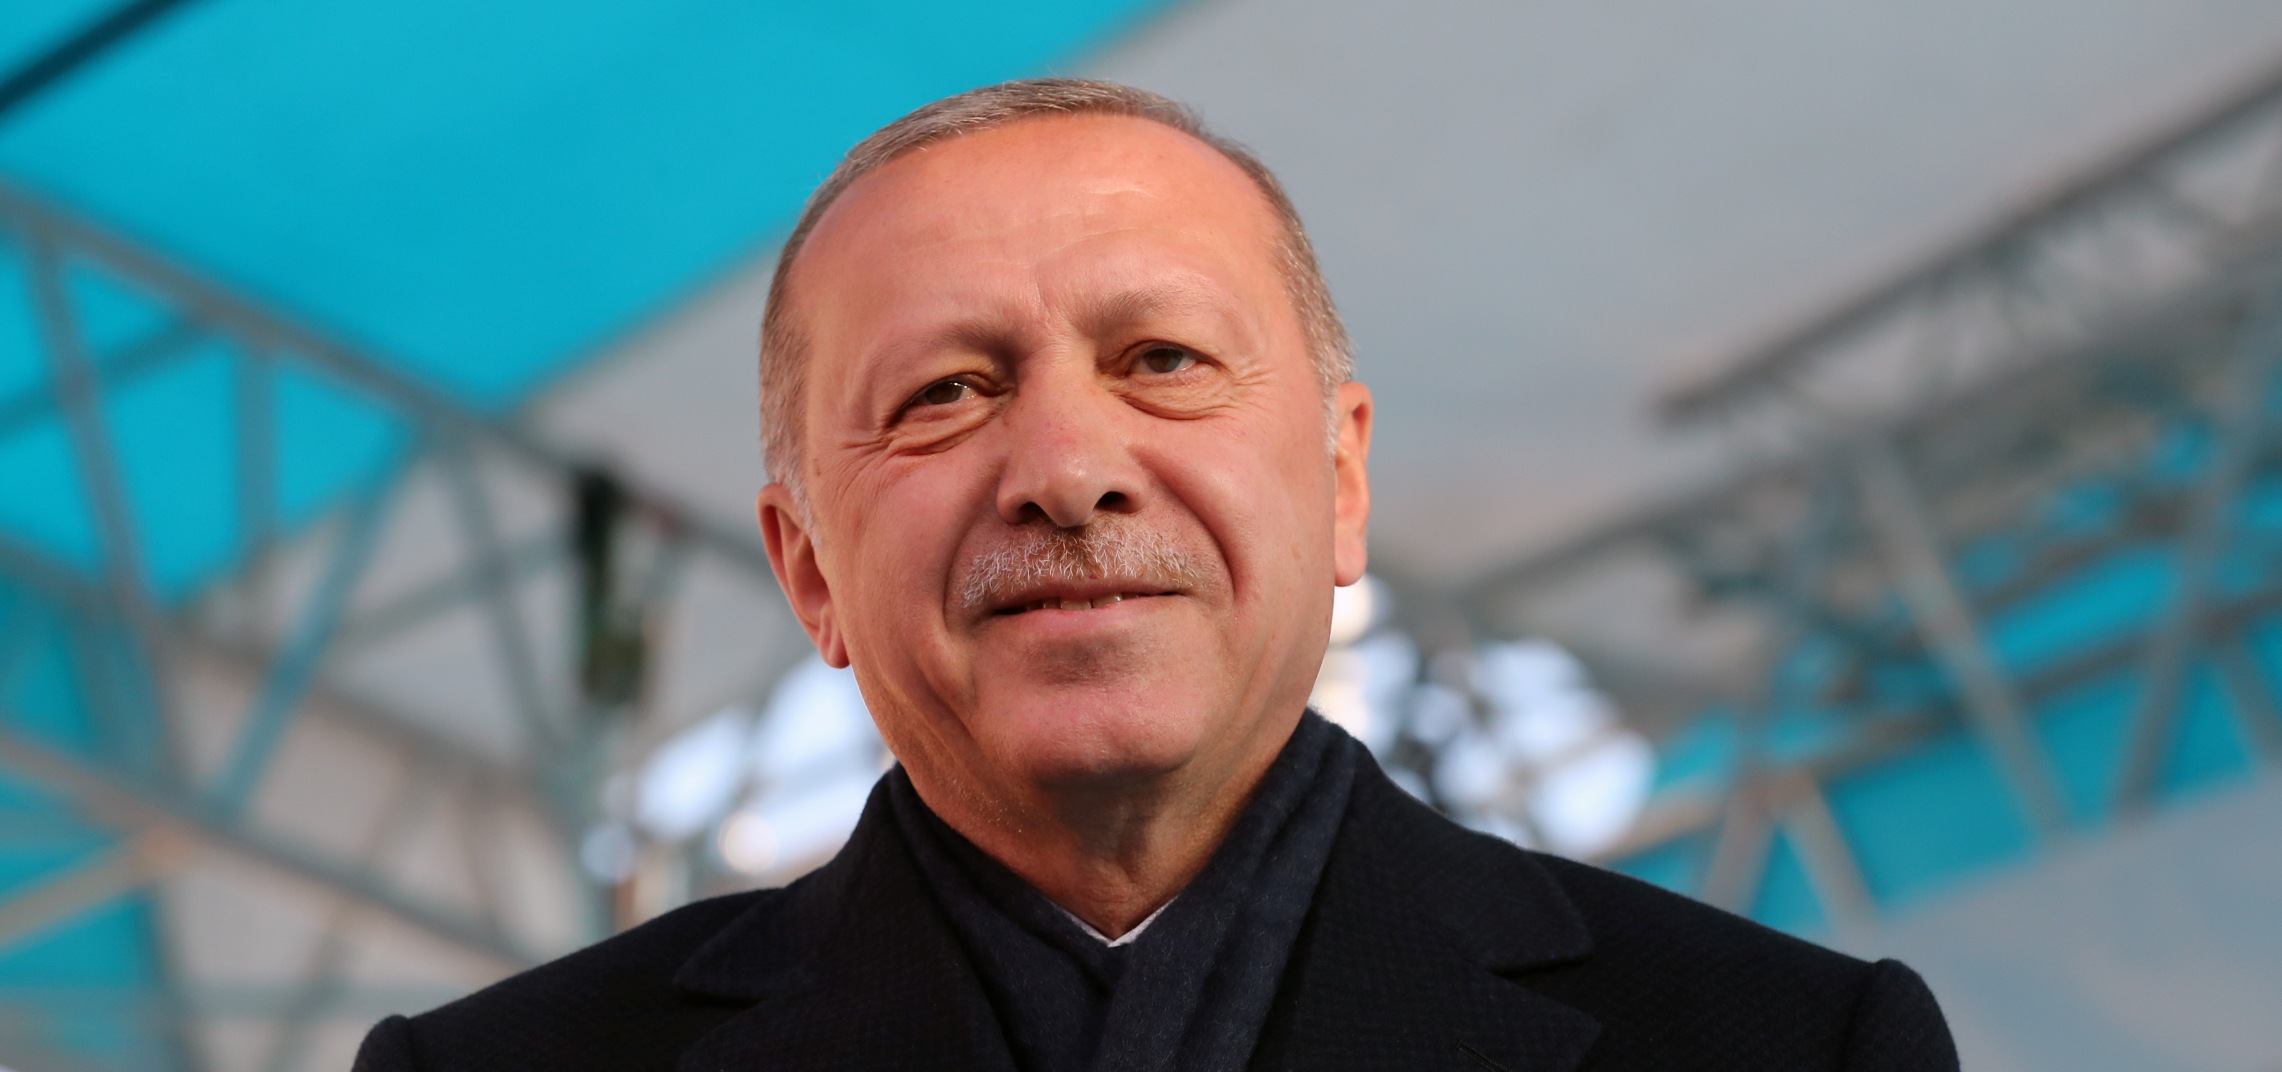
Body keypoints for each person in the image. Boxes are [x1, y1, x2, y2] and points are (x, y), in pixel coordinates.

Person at [353, 79, 1957, 1072]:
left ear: (1340, 479)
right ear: (809, 571)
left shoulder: (1783, 1049)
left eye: (1163, 360)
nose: (1065, 467)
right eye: (946, 393)